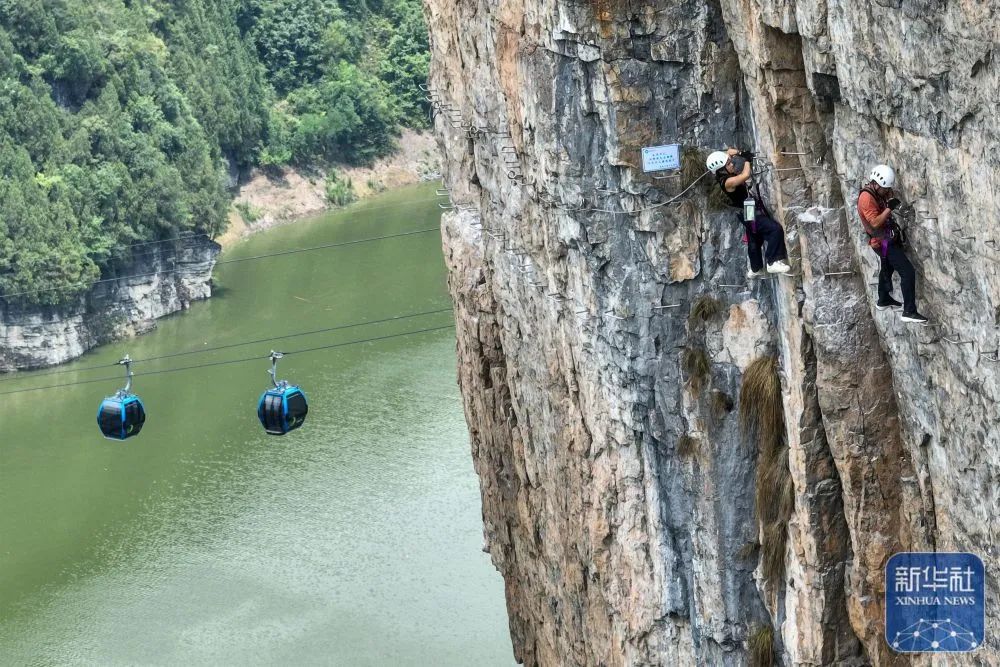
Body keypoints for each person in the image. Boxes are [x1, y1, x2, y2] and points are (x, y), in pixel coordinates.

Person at [857, 165, 928, 325]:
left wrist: (891, 199)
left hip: (885, 240)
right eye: (885, 188)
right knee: (907, 271)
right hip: (882, 242)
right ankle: (909, 311)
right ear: (877, 184)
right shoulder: (866, 199)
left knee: (887, 268)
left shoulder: (877, 191)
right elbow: (874, 223)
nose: (887, 191)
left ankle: (883, 299)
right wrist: (889, 208)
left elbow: (888, 196)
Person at [706, 147, 791, 278]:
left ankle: (756, 268)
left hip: (746, 209)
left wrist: (738, 153)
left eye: (730, 162)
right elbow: (745, 175)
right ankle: (773, 261)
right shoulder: (727, 182)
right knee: (775, 230)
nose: (732, 164)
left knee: (754, 237)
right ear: (721, 169)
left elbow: (728, 153)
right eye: (728, 164)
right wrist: (747, 160)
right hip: (746, 210)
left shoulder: (724, 174)